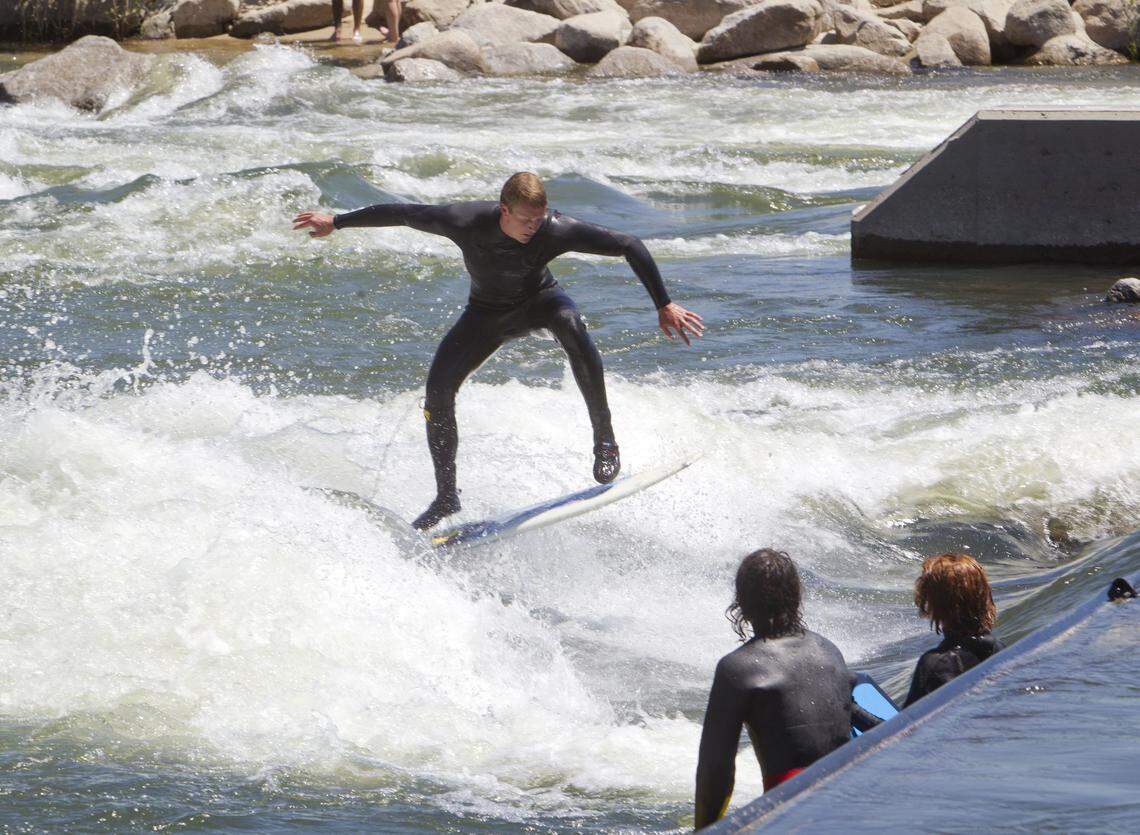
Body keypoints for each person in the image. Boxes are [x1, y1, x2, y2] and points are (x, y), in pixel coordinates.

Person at [293, 172, 703, 530]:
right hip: (485, 316)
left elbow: (629, 244)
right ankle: (446, 497)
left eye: (538, 220)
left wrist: (663, 303)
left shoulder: (555, 230)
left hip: (543, 303)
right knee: (437, 393)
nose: (531, 228)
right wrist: (338, 222)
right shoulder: (463, 220)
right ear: (503, 210)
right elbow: (402, 212)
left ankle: (605, 441)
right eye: (524, 220)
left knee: (574, 329)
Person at [694, 549, 879, 829]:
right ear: (796, 597)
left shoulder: (738, 668)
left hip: (793, 811)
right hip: (849, 800)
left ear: (742, 602)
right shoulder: (828, 650)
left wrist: (703, 829)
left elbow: (715, 770)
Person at [903, 553, 1002, 707]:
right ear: (984, 595)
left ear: (934, 602)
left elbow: (904, 727)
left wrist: (853, 708)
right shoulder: (1001, 651)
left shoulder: (936, 665)